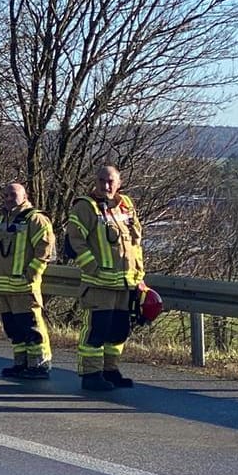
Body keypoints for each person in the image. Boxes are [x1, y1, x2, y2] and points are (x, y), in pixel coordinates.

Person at [67, 164, 145, 393]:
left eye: (110, 181)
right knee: (96, 330)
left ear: (119, 183)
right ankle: (91, 374)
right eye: (101, 181)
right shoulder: (86, 207)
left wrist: (139, 275)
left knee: (119, 330)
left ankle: (110, 370)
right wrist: (92, 267)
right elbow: (75, 241)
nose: (106, 186)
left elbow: (135, 244)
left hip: (125, 284)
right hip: (99, 284)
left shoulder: (126, 205)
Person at [0, 182, 56, 380]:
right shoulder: (3, 217)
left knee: (31, 326)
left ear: (25, 196)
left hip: (23, 285)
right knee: (14, 328)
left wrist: (32, 274)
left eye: (13, 194)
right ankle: (21, 362)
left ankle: (39, 365)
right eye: (5, 194)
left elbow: (45, 250)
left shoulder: (36, 219)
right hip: (4, 284)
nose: (8, 198)